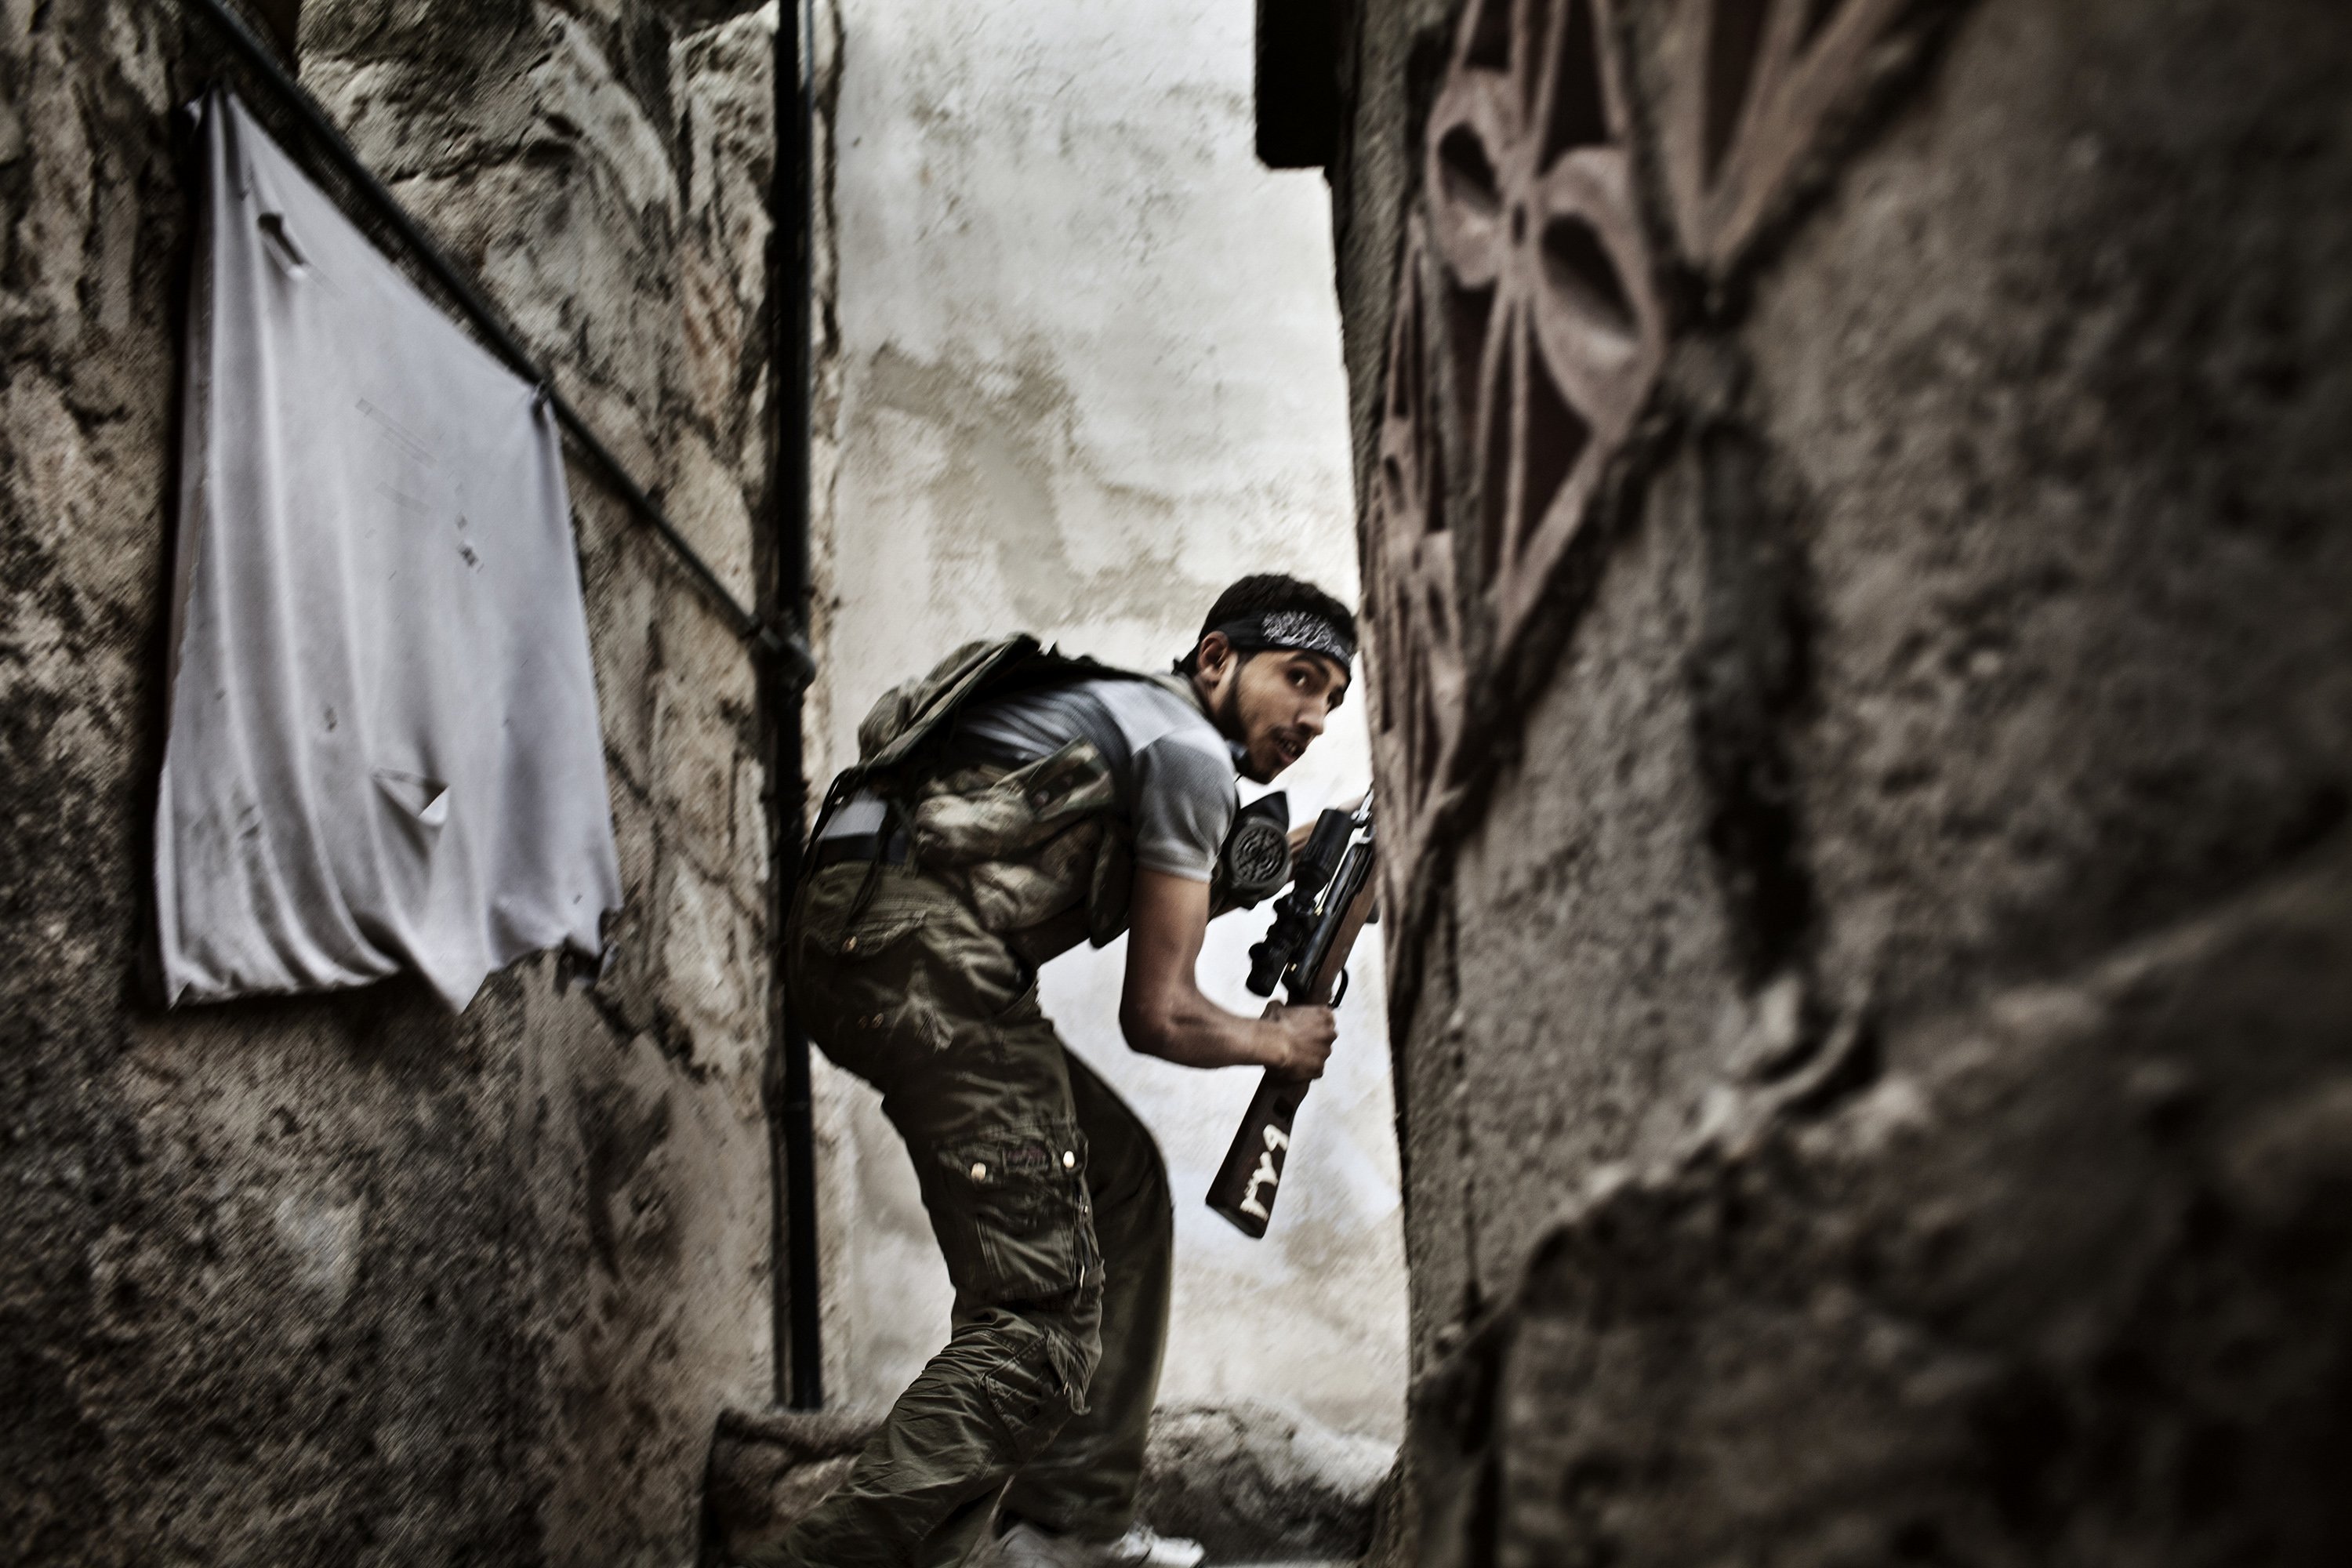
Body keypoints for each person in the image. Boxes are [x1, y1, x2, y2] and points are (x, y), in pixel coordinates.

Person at [748, 575, 1356, 1568]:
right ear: (1216, 659)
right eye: (1299, 677)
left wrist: (1300, 858)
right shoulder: (1189, 751)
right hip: (926, 958)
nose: (1315, 715)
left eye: (1333, 696)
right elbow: (1159, 1013)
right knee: (1035, 1323)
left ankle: (1070, 1524)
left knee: (1119, 1177)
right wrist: (1277, 1040)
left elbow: (1156, 869)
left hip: (872, 941)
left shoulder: (1139, 720)